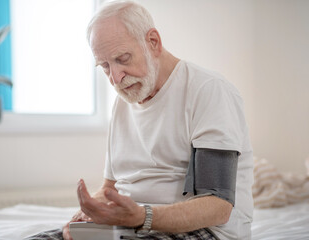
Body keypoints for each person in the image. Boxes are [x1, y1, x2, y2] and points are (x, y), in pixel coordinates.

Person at [62, 1, 254, 239]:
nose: (115, 78)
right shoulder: (123, 102)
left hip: (205, 231)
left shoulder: (208, 91)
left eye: (122, 59)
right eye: (104, 67)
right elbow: (110, 188)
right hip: (133, 226)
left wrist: (142, 217)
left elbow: (217, 206)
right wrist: (87, 213)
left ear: (153, 42)